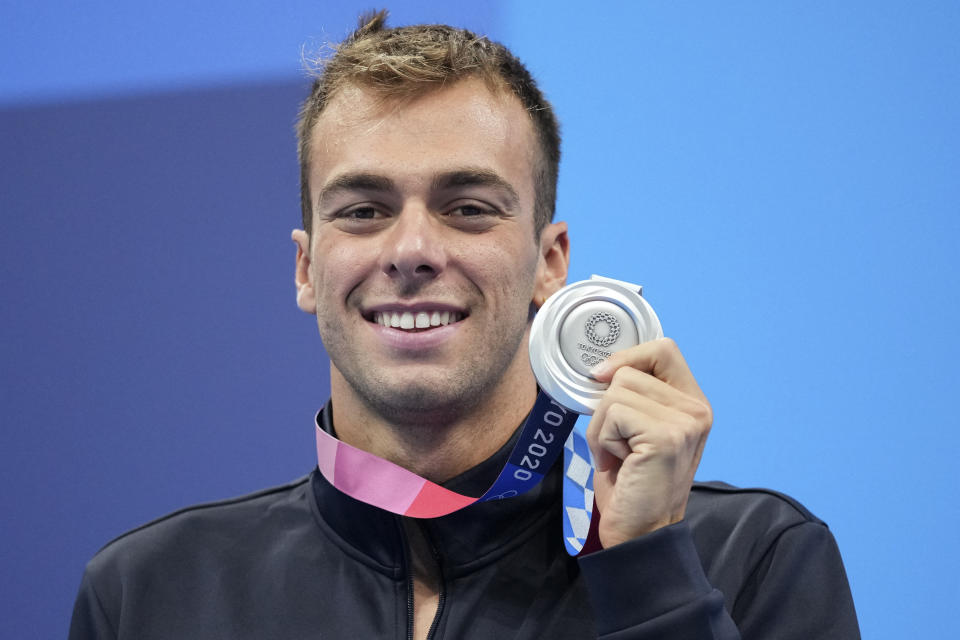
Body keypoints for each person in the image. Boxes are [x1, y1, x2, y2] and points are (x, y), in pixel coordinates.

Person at [69, 11, 860, 639]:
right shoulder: (149, 591)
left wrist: (651, 568)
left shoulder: (754, 560)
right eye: (365, 210)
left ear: (550, 263)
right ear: (307, 269)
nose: (412, 250)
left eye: (469, 208)